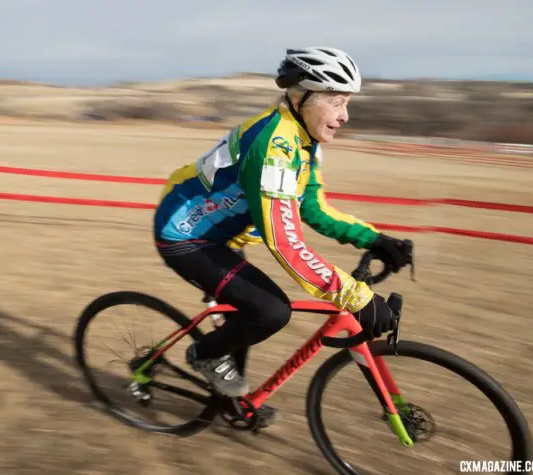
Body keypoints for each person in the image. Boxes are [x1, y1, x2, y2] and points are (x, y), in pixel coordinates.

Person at [152, 47, 412, 425]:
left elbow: (314, 209)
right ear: (300, 96)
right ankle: (205, 354)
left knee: (249, 315)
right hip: (185, 235)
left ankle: (234, 405)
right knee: (270, 311)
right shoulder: (274, 146)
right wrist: (354, 295)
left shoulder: (303, 141)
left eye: (347, 103)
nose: (344, 116)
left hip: (223, 237)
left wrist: (373, 240)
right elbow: (285, 243)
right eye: (337, 102)